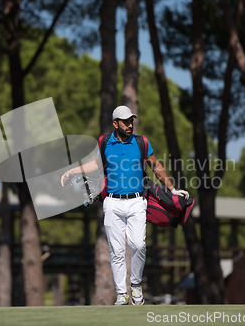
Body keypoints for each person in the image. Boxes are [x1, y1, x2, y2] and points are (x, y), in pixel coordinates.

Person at [61, 106, 189, 305]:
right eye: (125, 121)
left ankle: (135, 285)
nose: (130, 124)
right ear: (115, 124)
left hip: (137, 201)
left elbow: (156, 166)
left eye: (132, 121)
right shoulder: (104, 142)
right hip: (112, 203)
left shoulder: (141, 142)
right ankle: (122, 294)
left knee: (138, 245)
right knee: (117, 251)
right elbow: (95, 164)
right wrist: (74, 171)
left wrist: (172, 190)